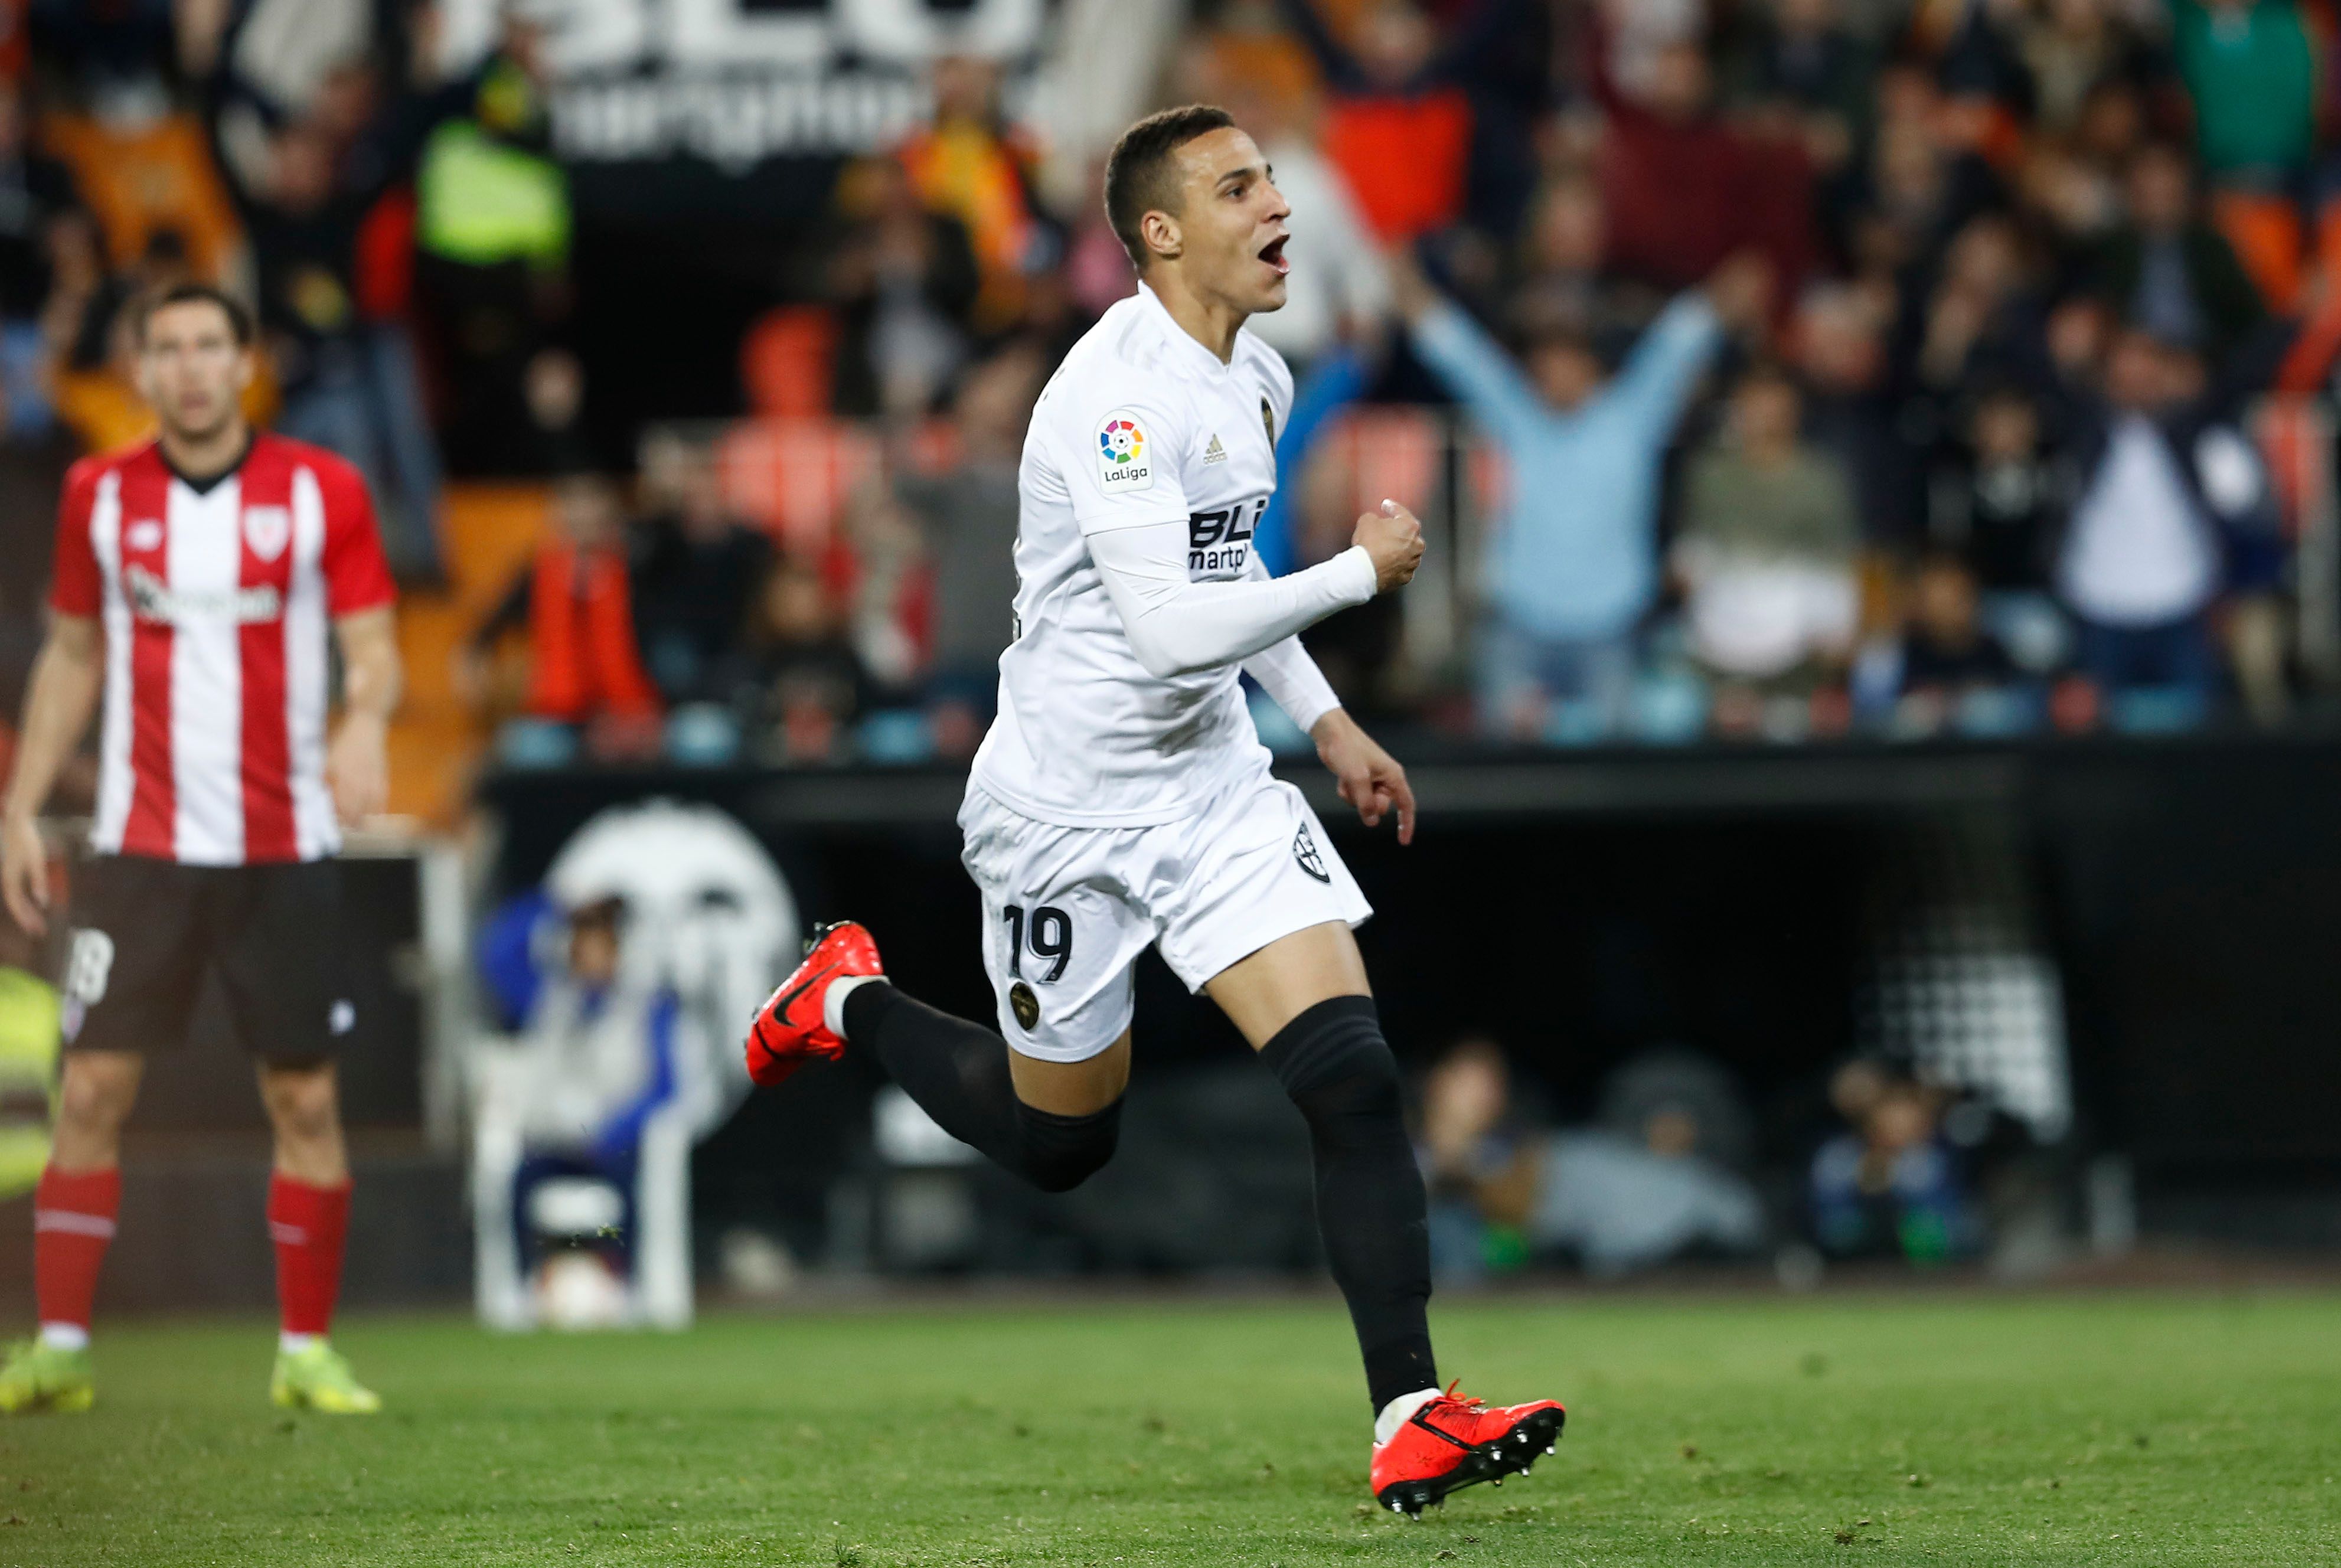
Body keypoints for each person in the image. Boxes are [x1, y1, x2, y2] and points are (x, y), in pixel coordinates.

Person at [742, 105, 1561, 1517]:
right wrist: (1361, 575)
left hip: (1208, 789)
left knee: (1353, 1078)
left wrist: (1327, 717)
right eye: (1240, 187)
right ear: (1161, 231)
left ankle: (1410, 1412)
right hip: (1063, 810)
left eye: (1273, 182)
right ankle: (846, 1001)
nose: (1278, 209)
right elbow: (1177, 627)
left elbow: (1229, 565)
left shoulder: (1258, 373)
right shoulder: (1109, 398)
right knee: (1063, 1143)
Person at [0, 282, 401, 1415]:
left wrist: (366, 718)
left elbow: (376, 646)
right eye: (166, 347)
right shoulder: (99, 492)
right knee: (91, 1091)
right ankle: (64, 1349)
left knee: (305, 1101)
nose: (187, 367)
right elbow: (72, 655)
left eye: (207, 345)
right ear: (139, 369)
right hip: (141, 845)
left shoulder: (323, 491)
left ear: (244, 362)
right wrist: (20, 807)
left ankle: (307, 1353)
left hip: (283, 845)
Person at [1392, 250, 1766, 736]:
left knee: (1613, 765)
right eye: (1543, 367)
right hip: (1521, 626)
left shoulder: (1632, 415)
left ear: (1590, 367)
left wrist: (1728, 292)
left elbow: (1675, 346)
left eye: (1564, 363)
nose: (1552, 376)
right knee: (1499, 750)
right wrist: (1404, 284)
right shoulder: (1516, 415)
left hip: (1609, 631)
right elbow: (1460, 354)